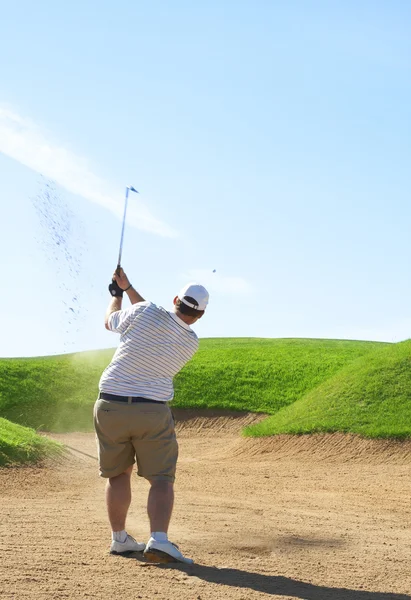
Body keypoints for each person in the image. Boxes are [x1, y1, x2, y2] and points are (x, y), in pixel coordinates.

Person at [94, 267, 209, 565]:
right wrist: (130, 287)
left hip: (110, 404)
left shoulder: (145, 311)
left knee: (119, 474)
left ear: (175, 299)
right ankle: (158, 539)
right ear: (200, 316)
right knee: (160, 479)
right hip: (152, 411)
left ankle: (119, 539)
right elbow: (159, 320)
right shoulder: (191, 342)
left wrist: (118, 295)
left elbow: (111, 321)